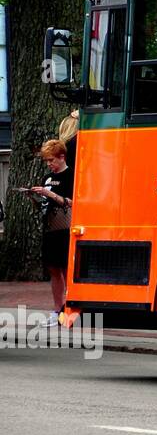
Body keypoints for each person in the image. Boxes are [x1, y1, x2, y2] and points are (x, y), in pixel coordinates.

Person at [26, 139, 74, 328]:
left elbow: (72, 203)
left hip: (66, 228)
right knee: (53, 270)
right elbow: (44, 206)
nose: (49, 165)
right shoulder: (47, 178)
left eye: (51, 160)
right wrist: (34, 197)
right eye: (46, 161)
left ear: (61, 157)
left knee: (66, 269)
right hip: (50, 228)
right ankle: (57, 309)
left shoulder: (71, 175)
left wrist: (52, 195)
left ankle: (69, 311)